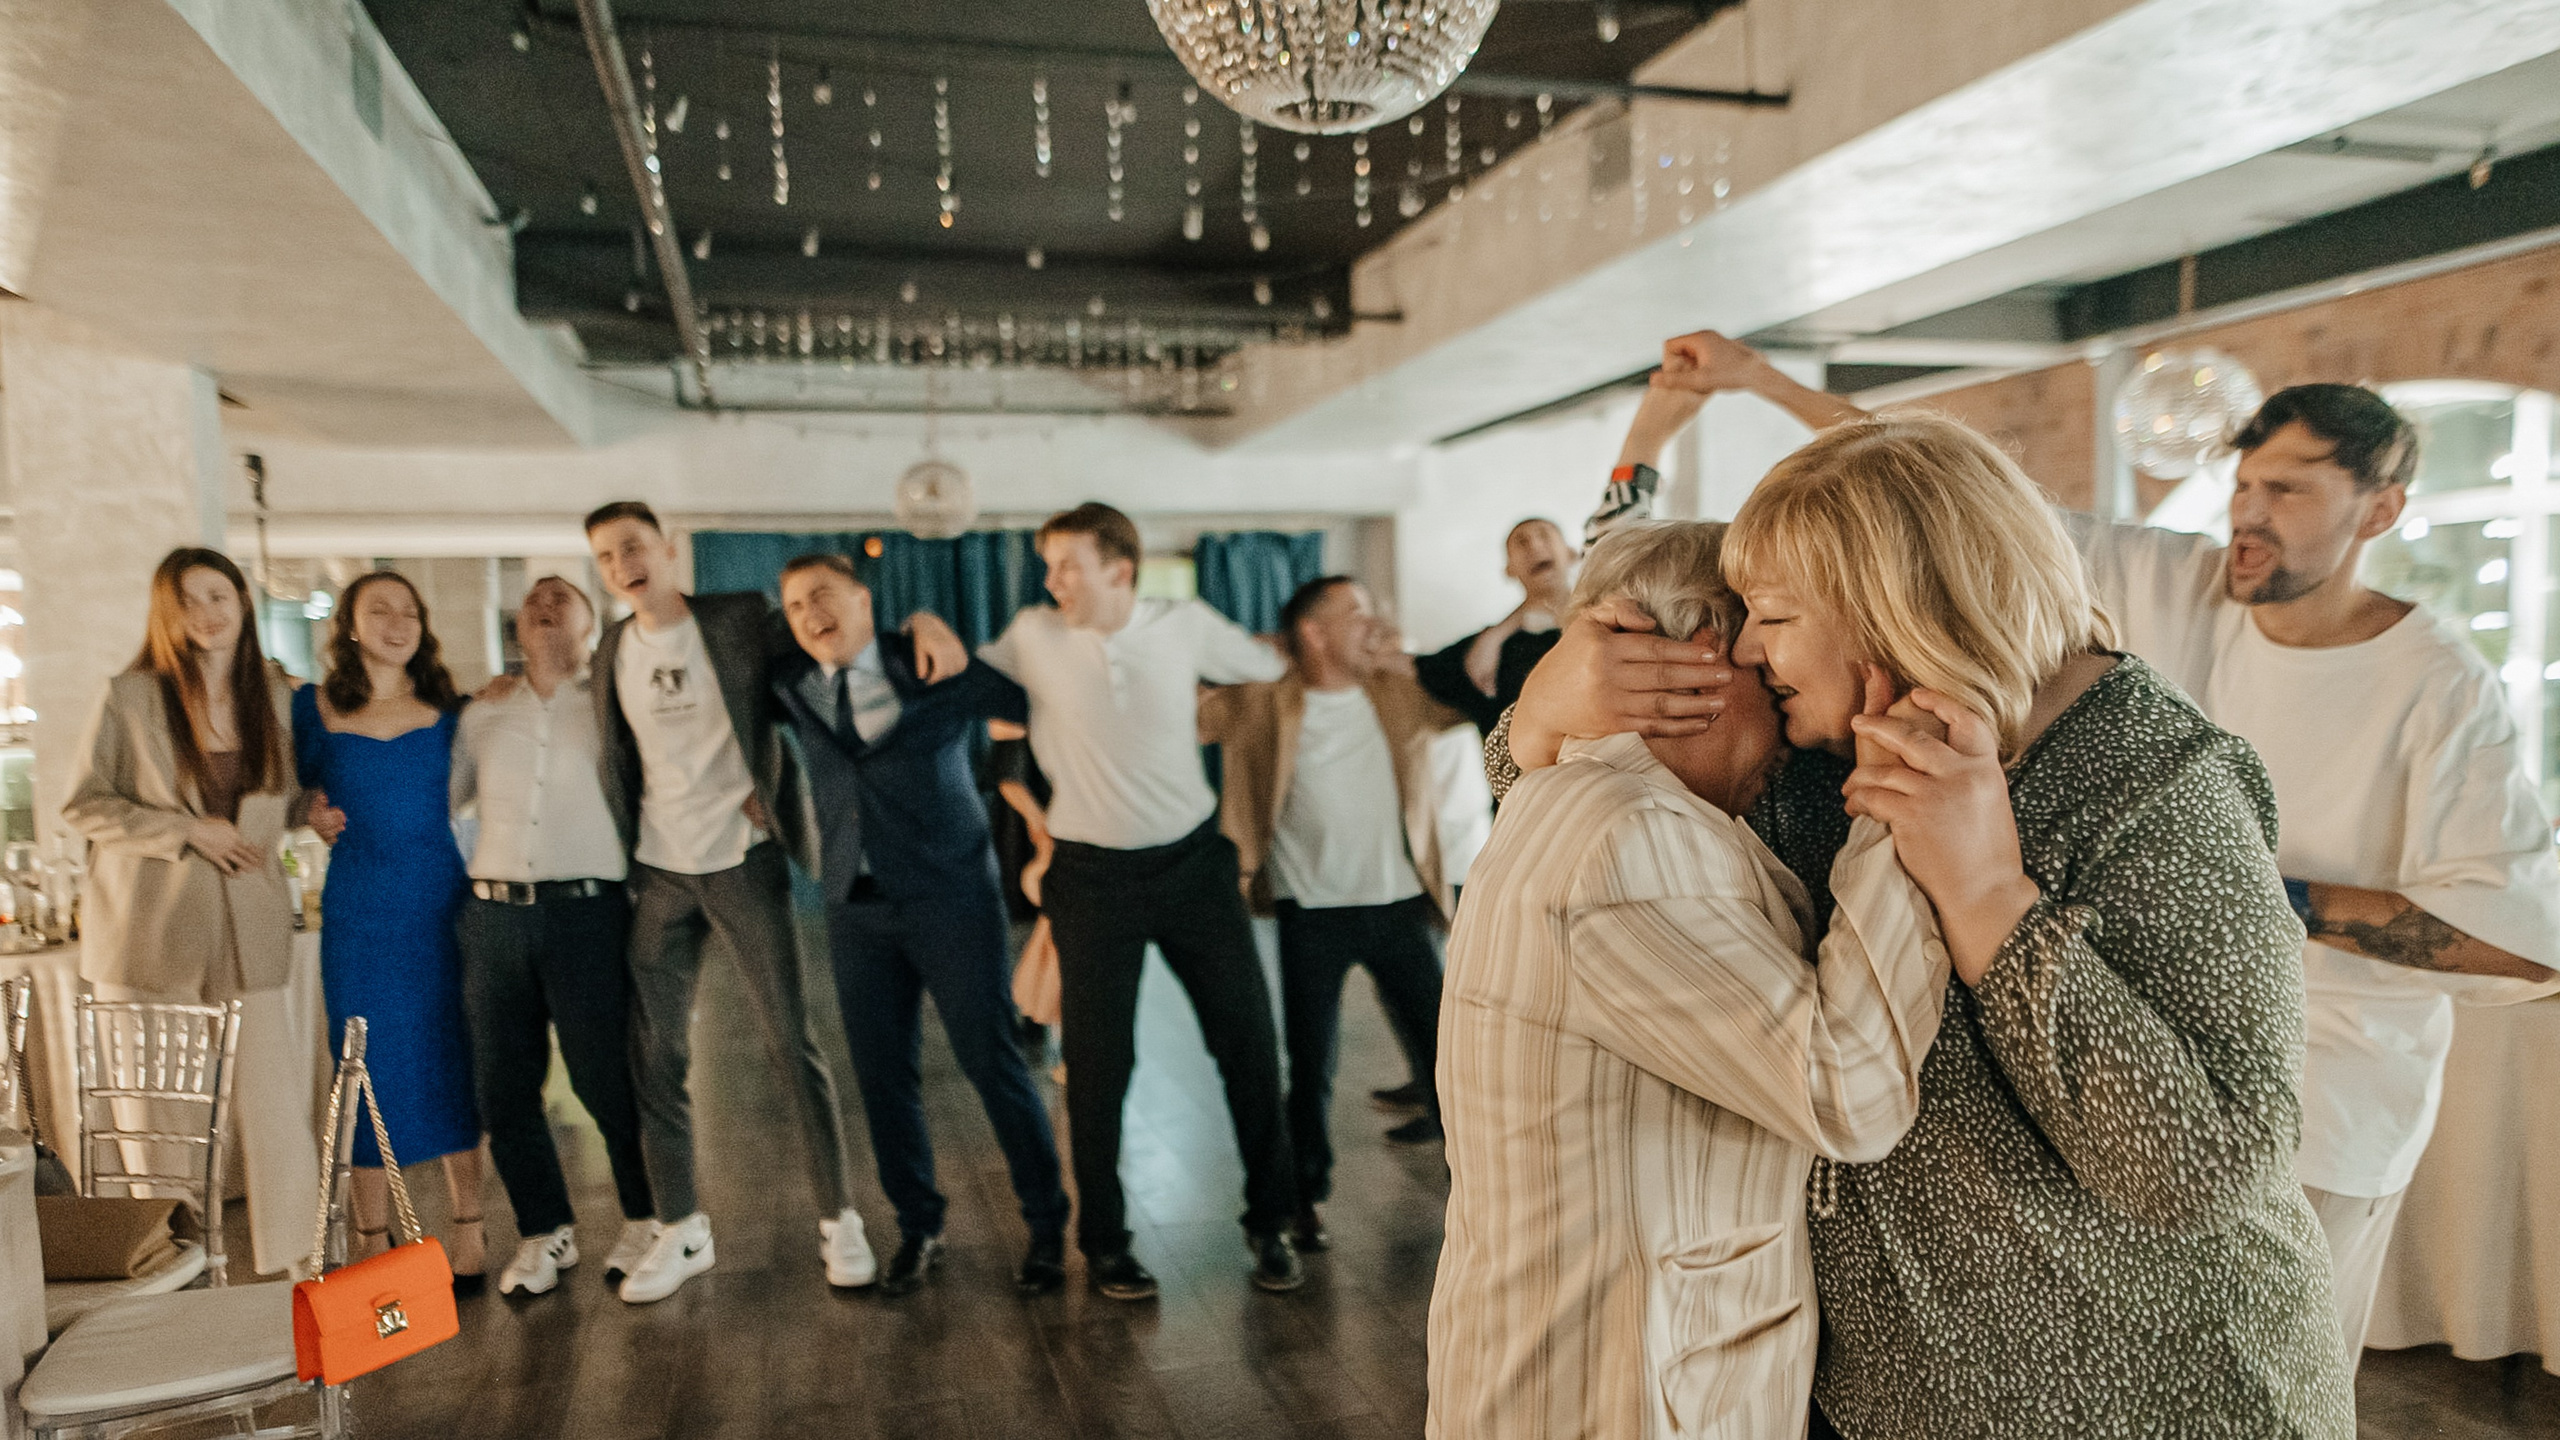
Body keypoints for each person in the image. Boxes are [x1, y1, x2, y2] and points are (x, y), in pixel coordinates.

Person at [1656, 334, 2560, 1367]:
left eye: (2292, 491)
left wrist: (2264, 897)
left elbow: (2524, 944)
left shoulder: (2438, 684)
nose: (2249, 514)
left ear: (2381, 512)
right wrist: (1758, 382)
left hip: (2337, 1093)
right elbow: (1918, 500)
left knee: (2253, 1343)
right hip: (2103, 1044)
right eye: (2244, 483)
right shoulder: (2186, 582)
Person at [1499, 407, 2355, 1436]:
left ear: (1886, 603)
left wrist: (1990, 896)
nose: (1750, 649)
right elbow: (1590, 814)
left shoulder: (2156, 780)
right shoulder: (1815, 759)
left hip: (2143, 1391)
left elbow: (2202, 1172)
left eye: (1771, 613)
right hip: (1889, 1396)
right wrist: (1536, 719)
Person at [1427, 521, 1947, 1440]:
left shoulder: (1583, 797)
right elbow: (1851, 1093)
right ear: (1700, 657)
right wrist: (1891, 806)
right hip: (1619, 1386)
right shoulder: (1633, 838)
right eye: (1769, 657)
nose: (1788, 713)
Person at [974, 502, 1302, 1298]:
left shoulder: (1182, 621)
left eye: (1068, 565)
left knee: (1251, 1050)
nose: (1052, 581)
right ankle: (1107, 1244)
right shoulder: (1032, 635)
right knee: (1097, 1070)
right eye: (1048, 566)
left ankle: (1272, 1224)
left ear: (1119, 569)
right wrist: (925, 627)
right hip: (1091, 880)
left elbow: (1267, 667)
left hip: (1193, 869)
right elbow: (960, 679)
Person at [581, 500, 871, 1304]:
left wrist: (776, 788)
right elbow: (618, 758)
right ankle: (681, 1228)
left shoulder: (741, 618)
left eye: (633, 547)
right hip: (659, 871)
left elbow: (819, 666)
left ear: (668, 550)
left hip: (743, 860)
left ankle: (839, 1217)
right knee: (659, 1056)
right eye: (606, 558)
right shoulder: (610, 648)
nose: (622, 565)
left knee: (791, 1042)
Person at [766, 553, 1073, 1298]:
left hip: (952, 897)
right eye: (797, 604)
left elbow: (1030, 704)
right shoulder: (789, 682)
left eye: (824, 595)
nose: (811, 612)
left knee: (992, 1062)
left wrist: (935, 627)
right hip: (853, 906)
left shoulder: (932, 660)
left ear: (864, 601)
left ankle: (1045, 1227)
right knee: (881, 1076)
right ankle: (918, 1225)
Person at [64, 548, 323, 1279]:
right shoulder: (130, 695)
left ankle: (301, 1267)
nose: (207, 613)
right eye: (189, 600)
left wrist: (313, 811)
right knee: (160, 1121)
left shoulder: (275, 696)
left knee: (275, 1108)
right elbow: (85, 803)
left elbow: (281, 799)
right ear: (166, 613)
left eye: (219, 595)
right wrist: (185, 830)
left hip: (251, 929)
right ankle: (172, 1269)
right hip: (150, 937)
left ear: (244, 600)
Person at [1196, 575, 1471, 1252]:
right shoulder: (1262, 703)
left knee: (1448, 1059)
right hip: (1311, 913)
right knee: (1310, 1067)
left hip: (1401, 907)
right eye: (1357, 614)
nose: (1373, 624)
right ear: (1313, 632)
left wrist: (1408, 660)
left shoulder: (1399, 692)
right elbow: (1175, 702)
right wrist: (1251, 653)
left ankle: (1480, 1193)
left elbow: (1478, 698)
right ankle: (1302, 1200)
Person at [450, 575, 657, 1297]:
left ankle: (644, 1218)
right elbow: (440, 800)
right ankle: (545, 1232)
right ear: (516, 626)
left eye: (560, 599)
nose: (542, 606)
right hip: (493, 915)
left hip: (587, 913)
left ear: (589, 626)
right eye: (532, 601)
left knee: (605, 1076)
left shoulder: (611, 705)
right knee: (503, 1087)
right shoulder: (480, 715)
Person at [292, 569, 486, 1284]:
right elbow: (284, 792)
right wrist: (307, 812)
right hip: (358, 914)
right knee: (361, 1067)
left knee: (451, 1059)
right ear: (349, 623)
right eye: (380, 611)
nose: (397, 623)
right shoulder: (310, 709)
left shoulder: (451, 708)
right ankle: (371, 1238)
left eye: (409, 611)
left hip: (439, 904)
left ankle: (470, 1226)